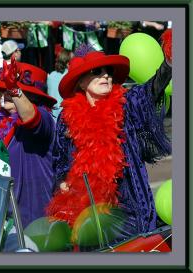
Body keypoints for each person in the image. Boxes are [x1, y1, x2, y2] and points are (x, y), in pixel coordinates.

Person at [46, 30, 172, 247]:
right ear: (81, 83)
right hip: (87, 216)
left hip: (128, 215)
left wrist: (169, 61)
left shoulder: (126, 105)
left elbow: (151, 89)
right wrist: (63, 184)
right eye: (97, 71)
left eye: (108, 71)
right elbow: (60, 163)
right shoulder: (66, 120)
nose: (106, 75)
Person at [0, 56, 57, 229]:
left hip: (32, 223)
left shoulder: (44, 118)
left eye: (12, 91)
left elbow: (31, 118)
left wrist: (14, 89)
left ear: (32, 97)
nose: (7, 94)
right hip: (1, 218)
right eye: (5, 90)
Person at [47, 48, 73, 120]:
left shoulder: (51, 75)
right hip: (63, 116)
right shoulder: (69, 76)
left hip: (51, 114)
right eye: (73, 60)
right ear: (68, 64)